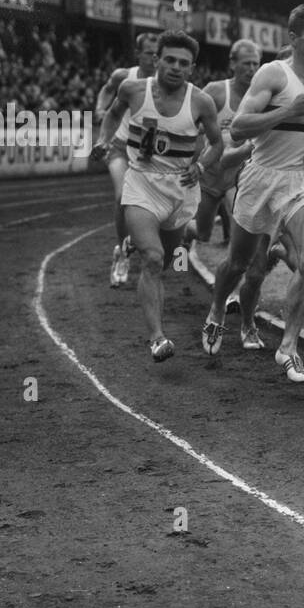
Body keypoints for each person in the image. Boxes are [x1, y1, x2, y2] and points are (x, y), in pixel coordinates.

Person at [201, 4, 304, 381]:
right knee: (239, 264)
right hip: (262, 178)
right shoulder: (273, 74)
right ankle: (217, 310)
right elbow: (241, 127)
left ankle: (289, 347)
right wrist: (288, 110)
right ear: (294, 40)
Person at [96, 30, 222, 361]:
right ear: (157, 59)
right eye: (169, 60)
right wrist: (104, 139)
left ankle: (134, 248)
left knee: (164, 262)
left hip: (180, 189)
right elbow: (112, 113)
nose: (175, 67)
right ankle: (157, 338)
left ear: (192, 68)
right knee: (151, 259)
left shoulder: (201, 102)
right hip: (141, 183)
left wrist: (202, 165)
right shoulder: (133, 88)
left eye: (183, 63)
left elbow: (217, 143)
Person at [91, 33, 160, 287]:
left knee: (154, 208)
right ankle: (121, 254)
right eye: (149, 52)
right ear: (138, 54)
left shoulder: (166, 82)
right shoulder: (124, 76)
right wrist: (101, 108)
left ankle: (141, 245)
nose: (154, 58)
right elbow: (107, 89)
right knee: (122, 197)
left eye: (158, 53)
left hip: (149, 151)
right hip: (120, 147)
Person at [188, 39, 261, 249]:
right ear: (232, 64)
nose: (252, 69)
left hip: (239, 174)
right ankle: (177, 235)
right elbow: (189, 124)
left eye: (255, 64)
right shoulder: (216, 91)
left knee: (242, 223)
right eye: (246, 63)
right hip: (210, 173)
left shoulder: (264, 96)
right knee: (201, 233)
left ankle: (237, 267)